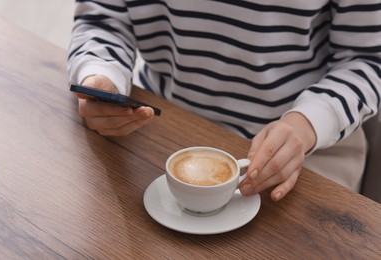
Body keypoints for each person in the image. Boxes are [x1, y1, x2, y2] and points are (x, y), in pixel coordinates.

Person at [68, 1, 381, 201]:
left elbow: (369, 59)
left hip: (308, 150)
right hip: (155, 127)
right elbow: (104, 19)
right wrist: (100, 76)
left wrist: (307, 123)